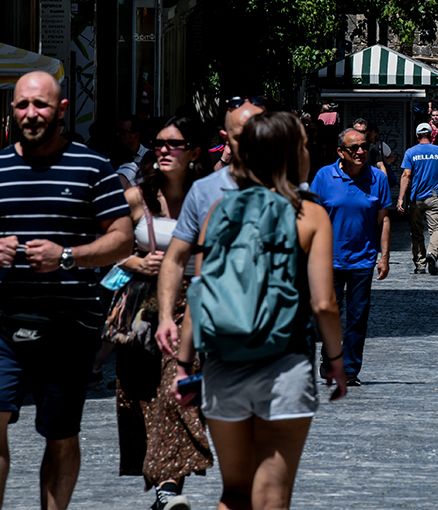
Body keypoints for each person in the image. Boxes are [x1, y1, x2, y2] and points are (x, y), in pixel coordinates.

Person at [0, 71, 135, 510]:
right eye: (22, 106)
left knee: (60, 431)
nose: (31, 114)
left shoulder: (92, 167)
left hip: (68, 326)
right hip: (2, 321)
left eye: (41, 105)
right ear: (12, 110)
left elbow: (123, 238)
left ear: (61, 110)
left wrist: (67, 256)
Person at [175, 110, 347, 510]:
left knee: (234, 491)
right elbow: (324, 303)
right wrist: (335, 361)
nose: (309, 151)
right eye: (303, 145)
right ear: (289, 154)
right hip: (284, 362)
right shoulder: (310, 214)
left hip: (223, 360)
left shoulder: (220, 211)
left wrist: (184, 365)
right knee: (272, 494)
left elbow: (199, 292)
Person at [117, 117, 213, 510]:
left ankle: (170, 485)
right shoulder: (136, 197)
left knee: (179, 390)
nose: (163, 150)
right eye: (158, 143)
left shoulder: (206, 197)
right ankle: (162, 482)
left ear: (193, 152)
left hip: (191, 305)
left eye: (173, 144)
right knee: (140, 397)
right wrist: (132, 262)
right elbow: (104, 245)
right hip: (143, 309)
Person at [154, 97, 267, 361]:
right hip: (221, 334)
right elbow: (177, 259)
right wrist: (166, 317)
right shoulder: (205, 191)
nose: (254, 141)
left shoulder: (294, 194)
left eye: (261, 132)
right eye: (243, 135)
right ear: (225, 137)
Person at [309, 127, 391, 388]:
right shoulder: (324, 176)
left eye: (364, 147)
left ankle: (350, 369)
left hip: (363, 260)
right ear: (340, 152)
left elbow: (384, 218)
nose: (360, 152)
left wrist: (384, 256)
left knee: (358, 317)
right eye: (354, 148)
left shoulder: (377, 178)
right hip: (328, 259)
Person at [397, 124, 438, 275]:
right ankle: (432, 253)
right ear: (431, 135)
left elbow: (406, 175)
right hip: (434, 196)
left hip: (416, 198)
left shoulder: (411, 152)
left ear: (417, 136)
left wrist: (400, 199)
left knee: (416, 232)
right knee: (436, 229)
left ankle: (420, 264)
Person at [116, 116, 151, 187]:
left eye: (122, 132)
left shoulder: (148, 157)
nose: (117, 134)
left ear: (136, 136)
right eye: (116, 130)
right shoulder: (111, 154)